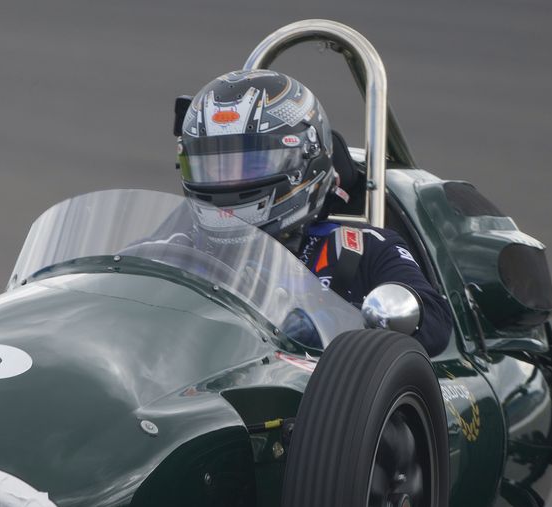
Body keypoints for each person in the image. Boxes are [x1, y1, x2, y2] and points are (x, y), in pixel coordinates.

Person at [176, 69, 452, 355]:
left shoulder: (362, 249)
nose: (229, 181)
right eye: (212, 167)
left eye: (252, 164)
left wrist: (334, 328)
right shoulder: (177, 244)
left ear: (305, 161)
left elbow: (434, 322)